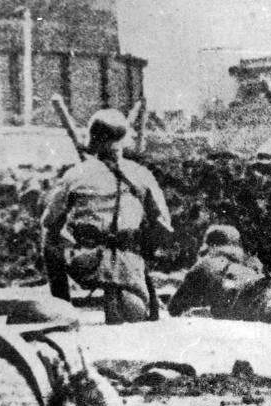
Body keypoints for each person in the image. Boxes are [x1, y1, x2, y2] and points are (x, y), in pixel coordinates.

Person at [41, 109, 173, 324]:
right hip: (129, 261)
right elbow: (163, 224)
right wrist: (141, 250)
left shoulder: (75, 174)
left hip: (86, 262)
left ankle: (62, 307)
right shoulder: (141, 174)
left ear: (93, 138)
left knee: (49, 241)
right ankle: (142, 288)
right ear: (123, 139)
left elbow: (49, 222)